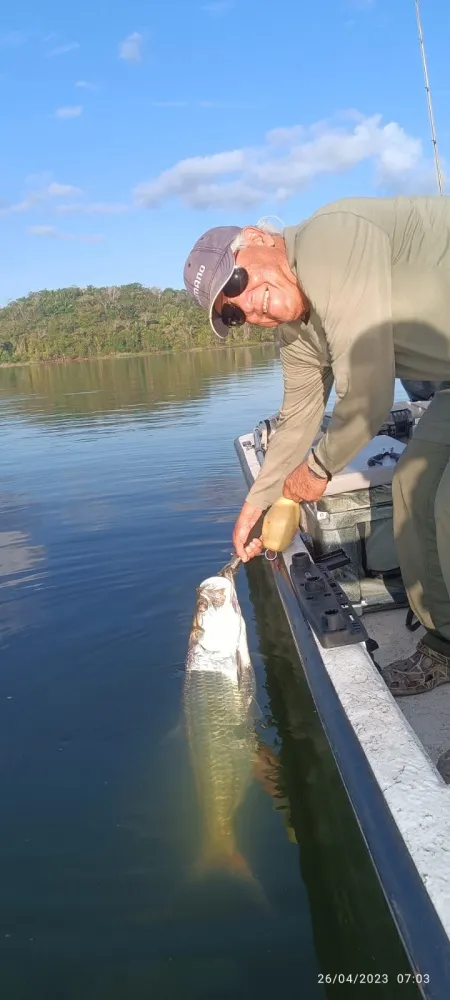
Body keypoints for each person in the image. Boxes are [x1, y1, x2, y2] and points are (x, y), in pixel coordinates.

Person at [183, 197, 450, 696]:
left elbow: (367, 396)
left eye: (235, 283)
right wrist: (257, 503)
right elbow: (298, 418)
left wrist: (319, 469)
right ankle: (445, 642)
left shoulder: (330, 240)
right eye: (233, 314)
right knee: (414, 483)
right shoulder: (297, 331)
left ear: (259, 239)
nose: (248, 306)